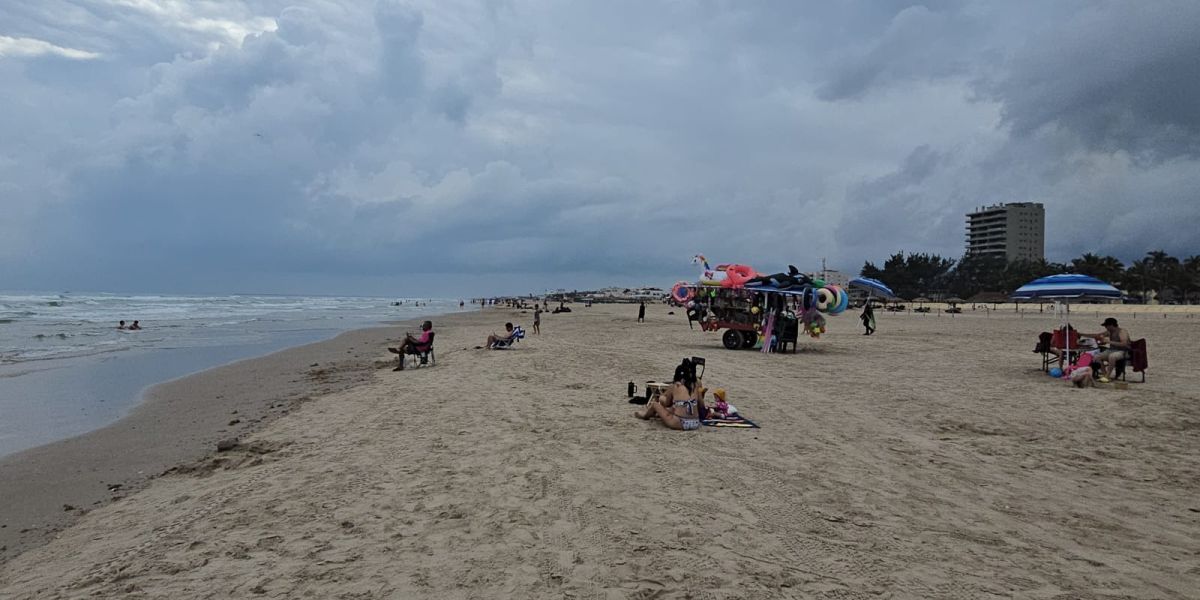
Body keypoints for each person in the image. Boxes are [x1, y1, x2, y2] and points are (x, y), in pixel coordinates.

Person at [634, 382, 707, 431]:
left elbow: (666, 403)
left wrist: (661, 398)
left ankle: (644, 415)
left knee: (655, 405)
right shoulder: (696, 386)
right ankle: (655, 414)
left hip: (680, 423)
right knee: (672, 410)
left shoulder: (674, 386)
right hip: (695, 423)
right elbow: (701, 405)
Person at [1089, 317, 1131, 382]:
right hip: (1111, 350)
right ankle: (1105, 374)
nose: (1105, 327)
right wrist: (1081, 334)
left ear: (1111, 325)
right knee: (1096, 357)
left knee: (1112, 356)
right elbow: (1098, 335)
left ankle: (1107, 376)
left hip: (1123, 351)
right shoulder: (1109, 332)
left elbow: (1124, 344)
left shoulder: (1122, 331)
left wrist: (1109, 342)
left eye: (1106, 326)